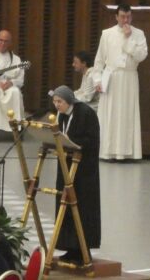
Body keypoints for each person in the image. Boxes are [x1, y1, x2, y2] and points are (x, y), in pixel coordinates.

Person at [51, 85, 101, 264]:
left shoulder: (85, 114)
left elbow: (91, 139)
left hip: (83, 170)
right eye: (55, 102)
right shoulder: (61, 116)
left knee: (82, 206)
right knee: (64, 204)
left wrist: (73, 144)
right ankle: (69, 247)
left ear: (69, 100)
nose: (57, 105)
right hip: (65, 165)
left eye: (60, 102)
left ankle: (82, 248)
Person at [93, 4, 148, 160]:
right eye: (123, 16)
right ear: (116, 17)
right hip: (111, 77)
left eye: (128, 16)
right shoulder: (107, 34)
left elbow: (141, 56)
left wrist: (128, 38)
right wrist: (97, 79)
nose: (126, 20)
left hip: (129, 78)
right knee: (110, 113)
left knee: (127, 113)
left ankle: (127, 153)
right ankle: (107, 152)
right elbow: (99, 60)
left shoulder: (138, 34)